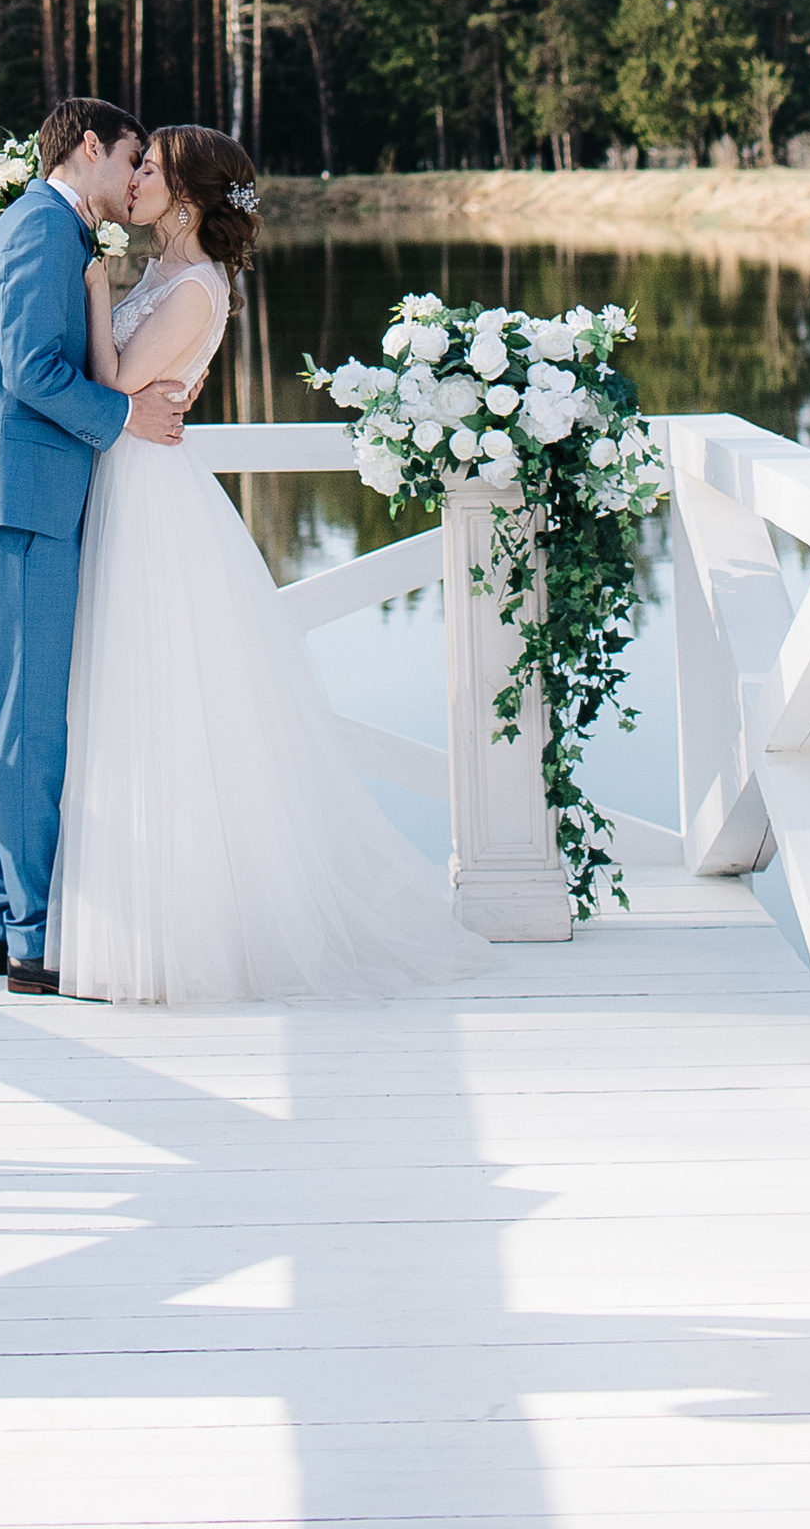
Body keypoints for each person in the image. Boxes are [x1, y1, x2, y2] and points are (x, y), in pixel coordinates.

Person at [49, 123, 495, 1005]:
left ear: (187, 197)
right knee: (134, 692)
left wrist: (95, 287)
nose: (135, 178)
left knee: (162, 696)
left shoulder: (194, 288)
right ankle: (135, 920)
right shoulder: (169, 272)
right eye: (138, 165)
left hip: (151, 499)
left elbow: (115, 383)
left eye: (151, 169)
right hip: (132, 481)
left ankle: (181, 936)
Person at [0, 96, 190, 992]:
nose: (136, 176)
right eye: (130, 157)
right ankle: (33, 936)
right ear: (89, 145)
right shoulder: (44, 231)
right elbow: (31, 371)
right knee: (30, 722)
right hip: (23, 501)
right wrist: (126, 417)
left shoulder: (38, 227)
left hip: (17, 496)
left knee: (10, 715)